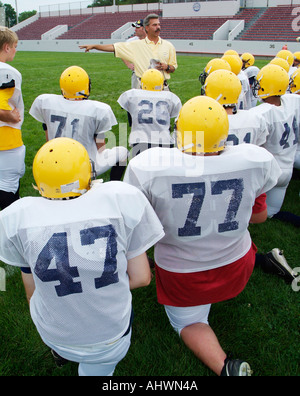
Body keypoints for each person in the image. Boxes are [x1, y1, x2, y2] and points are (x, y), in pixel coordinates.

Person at [124, 96, 281, 376]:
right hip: (237, 265)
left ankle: (225, 367)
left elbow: (139, 228)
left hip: (183, 275)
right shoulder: (254, 160)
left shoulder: (149, 166)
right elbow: (257, 217)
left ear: (180, 131)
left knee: (189, 324)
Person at [0, 137, 164, 376]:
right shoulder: (119, 199)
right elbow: (141, 278)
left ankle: (63, 351)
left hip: (54, 333)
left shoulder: (16, 217)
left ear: (39, 183)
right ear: (88, 174)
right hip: (109, 339)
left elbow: (31, 293)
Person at [203, 68, 297, 283]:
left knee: (211, 222)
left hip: (214, 178)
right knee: (244, 216)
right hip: (250, 178)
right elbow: (261, 148)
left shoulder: (203, 117)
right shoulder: (255, 117)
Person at [29, 65, 128, 181]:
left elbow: (47, 138)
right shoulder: (98, 109)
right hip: (83, 165)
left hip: (53, 162)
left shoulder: (45, 102)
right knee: (123, 152)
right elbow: (100, 147)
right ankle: (112, 183)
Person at [252, 64, 300, 225]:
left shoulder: (261, 114)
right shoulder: (293, 102)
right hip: (287, 169)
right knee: (272, 213)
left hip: (268, 172)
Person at [79, 13, 178, 90]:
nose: (158, 27)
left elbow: (173, 68)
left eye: (159, 25)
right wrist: (95, 46)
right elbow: (114, 47)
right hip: (142, 85)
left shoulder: (168, 46)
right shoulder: (135, 44)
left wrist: (167, 67)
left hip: (161, 86)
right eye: (155, 25)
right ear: (147, 28)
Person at [118, 68, 182, 158]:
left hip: (140, 140)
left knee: (140, 168)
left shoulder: (132, 95)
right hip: (164, 141)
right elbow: (174, 115)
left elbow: (128, 110)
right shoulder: (170, 97)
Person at [0, 27, 25, 211]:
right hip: (6, 139)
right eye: (15, 46)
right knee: (8, 189)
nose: (16, 50)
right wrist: (7, 114)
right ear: (6, 47)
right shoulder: (6, 71)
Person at [122, 19, 147, 89]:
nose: (135, 30)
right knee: (137, 95)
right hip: (137, 74)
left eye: (137, 28)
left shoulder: (153, 40)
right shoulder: (131, 41)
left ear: (144, 28)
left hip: (152, 73)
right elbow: (121, 52)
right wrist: (128, 64)